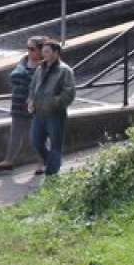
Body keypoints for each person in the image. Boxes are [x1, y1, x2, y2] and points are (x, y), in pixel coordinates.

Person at [0, 36, 47, 170]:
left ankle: (42, 163)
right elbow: (14, 78)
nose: (28, 51)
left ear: (40, 51)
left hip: (35, 106)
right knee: (15, 134)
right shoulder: (24, 61)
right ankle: (9, 160)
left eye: (32, 49)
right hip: (18, 103)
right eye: (27, 48)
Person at [27, 39, 76, 176]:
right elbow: (32, 87)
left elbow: (69, 93)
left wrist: (53, 103)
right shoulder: (40, 68)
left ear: (56, 52)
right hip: (39, 113)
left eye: (47, 52)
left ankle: (52, 175)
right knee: (35, 141)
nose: (44, 54)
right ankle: (53, 162)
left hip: (55, 114)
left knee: (55, 144)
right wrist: (31, 100)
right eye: (43, 52)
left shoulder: (64, 70)